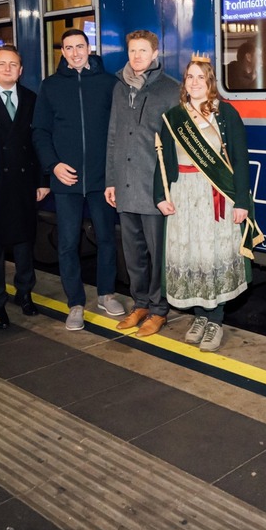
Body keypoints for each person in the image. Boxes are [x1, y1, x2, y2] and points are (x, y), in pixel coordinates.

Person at [155, 58, 264, 352]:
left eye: (200, 77)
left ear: (210, 81)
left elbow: (241, 161)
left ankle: (215, 319)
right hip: (184, 195)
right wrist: (160, 196)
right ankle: (200, 317)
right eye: (189, 77)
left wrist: (241, 201)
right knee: (193, 256)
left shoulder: (226, 114)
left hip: (216, 195)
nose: (194, 82)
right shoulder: (174, 116)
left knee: (213, 256)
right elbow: (163, 161)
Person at [33, 29, 125, 330]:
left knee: (107, 238)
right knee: (68, 242)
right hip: (66, 181)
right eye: (68, 47)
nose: (75, 53)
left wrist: (113, 172)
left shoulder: (109, 84)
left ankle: (106, 293)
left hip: (101, 179)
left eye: (80, 46)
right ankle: (75, 303)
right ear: (62, 51)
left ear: (90, 48)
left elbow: (118, 132)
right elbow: (40, 132)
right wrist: (53, 166)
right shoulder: (51, 86)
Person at [105, 30, 180, 338]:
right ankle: (140, 304)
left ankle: (159, 309)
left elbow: (177, 144)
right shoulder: (119, 89)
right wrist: (110, 180)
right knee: (133, 252)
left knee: (156, 251)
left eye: (142, 51)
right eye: (132, 51)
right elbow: (112, 136)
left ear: (155, 54)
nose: (136, 57)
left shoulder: (171, 90)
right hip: (124, 184)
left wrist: (170, 186)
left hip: (153, 185)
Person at [0, 45, 48, 327]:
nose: (7, 69)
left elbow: (38, 141)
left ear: (21, 70)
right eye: (1, 64)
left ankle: (25, 293)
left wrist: (42, 181)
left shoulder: (30, 98)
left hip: (24, 181)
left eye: (13, 64)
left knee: (25, 242)